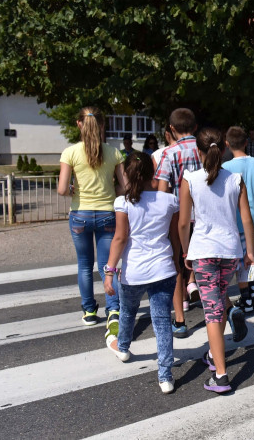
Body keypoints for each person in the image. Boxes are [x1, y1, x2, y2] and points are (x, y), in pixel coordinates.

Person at [178, 127, 254, 394]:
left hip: (202, 251)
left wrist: (186, 251)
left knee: (212, 311)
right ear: (223, 148)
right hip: (230, 250)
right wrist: (250, 251)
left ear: (198, 151)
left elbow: (183, 223)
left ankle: (221, 375)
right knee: (219, 304)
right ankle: (214, 356)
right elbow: (246, 218)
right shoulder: (236, 179)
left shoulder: (190, 179)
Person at [102, 152, 179, 394]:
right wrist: (176, 262)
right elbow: (175, 237)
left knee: (127, 312)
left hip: (133, 271)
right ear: (152, 173)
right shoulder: (169, 200)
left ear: (127, 173)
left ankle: (123, 348)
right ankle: (165, 375)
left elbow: (120, 238)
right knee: (162, 322)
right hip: (163, 268)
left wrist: (109, 271)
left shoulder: (123, 202)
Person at [57, 107, 127, 333]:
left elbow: (61, 189)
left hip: (80, 214)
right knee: (109, 266)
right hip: (107, 213)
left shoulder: (70, 152)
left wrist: (73, 190)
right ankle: (114, 310)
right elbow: (124, 186)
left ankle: (88, 311)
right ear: (102, 125)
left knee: (84, 265)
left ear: (79, 124)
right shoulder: (114, 153)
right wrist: (109, 188)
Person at [154, 108, 201, 338]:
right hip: (203, 216)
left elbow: (162, 192)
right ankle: (222, 309)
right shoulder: (205, 150)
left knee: (176, 264)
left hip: (177, 217)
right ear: (194, 127)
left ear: (171, 129)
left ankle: (180, 320)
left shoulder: (169, 154)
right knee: (203, 262)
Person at [222, 126, 254, 312]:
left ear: (227, 144)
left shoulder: (226, 168)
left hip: (236, 219)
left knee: (241, 261)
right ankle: (253, 288)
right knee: (249, 254)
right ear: (246, 142)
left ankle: (246, 299)